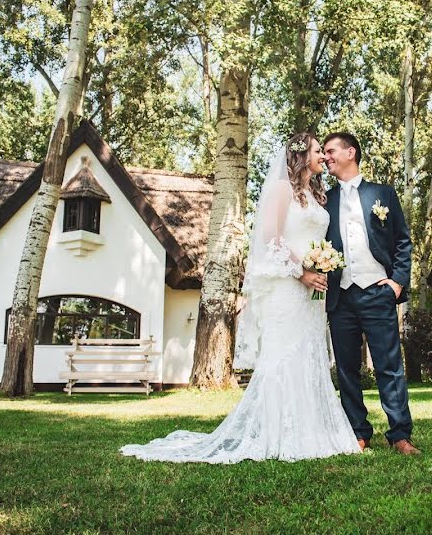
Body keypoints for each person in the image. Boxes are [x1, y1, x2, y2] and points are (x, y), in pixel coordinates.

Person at [119, 133, 360, 463]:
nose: (324, 156)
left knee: (309, 354)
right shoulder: (280, 190)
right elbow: (270, 238)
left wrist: (321, 264)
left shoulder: (316, 195)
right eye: (319, 150)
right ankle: (279, 432)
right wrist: (301, 272)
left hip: (312, 293)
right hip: (286, 287)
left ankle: (310, 430)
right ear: (301, 154)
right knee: (283, 354)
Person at [322, 132, 420, 455]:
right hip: (342, 296)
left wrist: (396, 283)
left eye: (331, 151)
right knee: (347, 369)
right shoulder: (325, 200)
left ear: (351, 153)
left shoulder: (383, 194)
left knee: (389, 366)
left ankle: (400, 435)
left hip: (378, 292)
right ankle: (358, 433)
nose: (326, 157)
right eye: (323, 152)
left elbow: (403, 241)